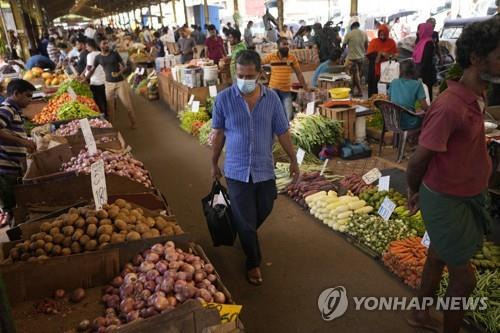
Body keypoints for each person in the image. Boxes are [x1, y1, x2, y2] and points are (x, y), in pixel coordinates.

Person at [406, 17, 499, 333]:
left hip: (467, 194)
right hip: (446, 199)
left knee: (436, 257)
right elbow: (418, 160)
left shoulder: (478, 94)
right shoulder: (449, 106)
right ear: (476, 59)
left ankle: (419, 314)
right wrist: (413, 190)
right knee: (465, 279)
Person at [211, 50, 300, 285]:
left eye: (250, 76)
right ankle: (253, 262)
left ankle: (243, 228)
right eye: (240, 75)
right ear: (234, 73)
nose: (244, 81)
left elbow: (282, 131)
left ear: (260, 74)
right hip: (236, 170)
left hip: (263, 170)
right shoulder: (223, 99)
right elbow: (218, 134)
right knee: (246, 219)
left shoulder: (271, 99)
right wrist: (213, 162)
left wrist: (293, 159)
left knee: (264, 206)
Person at [0, 79, 37, 227]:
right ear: (16, 94)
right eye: (28, 96)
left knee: (16, 206)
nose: (30, 100)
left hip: (12, 168)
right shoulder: (7, 109)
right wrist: (22, 142)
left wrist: (24, 140)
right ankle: (15, 239)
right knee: (12, 208)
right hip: (5, 170)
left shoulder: (14, 111)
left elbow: (8, 131)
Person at [86, 37, 137, 128]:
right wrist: (85, 78)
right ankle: (112, 127)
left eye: (107, 43)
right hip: (108, 84)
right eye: (104, 43)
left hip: (120, 83)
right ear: (99, 45)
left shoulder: (114, 54)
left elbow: (125, 67)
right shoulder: (98, 58)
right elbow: (92, 69)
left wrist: (119, 73)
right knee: (110, 109)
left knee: (127, 105)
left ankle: (133, 122)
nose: (106, 45)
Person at [262, 37, 307, 120]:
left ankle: (288, 131)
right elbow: (259, 63)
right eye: (284, 44)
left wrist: (305, 87)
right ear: (278, 46)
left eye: (287, 44)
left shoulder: (292, 58)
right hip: (273, 89)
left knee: (289, 115)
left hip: (286, 90)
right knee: (276, 114)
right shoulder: (271, 56)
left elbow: (299, 73)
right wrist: (265, 75)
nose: (286, 46)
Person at [388, 60, 428, 130]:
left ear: (400, 71)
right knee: (426, 117)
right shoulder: (417, 84)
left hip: (393, 121)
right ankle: (416, 139)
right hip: (410, 123)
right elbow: (425, 107)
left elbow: (389, 101)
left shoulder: (394, 82)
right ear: (414, 71)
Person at [366, 24, 398, 96]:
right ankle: (373, 103)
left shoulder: (391, 42)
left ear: (387, 34)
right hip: (375, 69)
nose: (382, 35)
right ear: (378, 33)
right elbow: (369, 55)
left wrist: (386, 55)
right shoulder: (374, 41)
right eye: (381, 34)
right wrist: (380, 54)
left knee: (386, 91)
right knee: (374, 89)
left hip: (388, 71)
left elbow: (396, 55)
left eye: (384, 34)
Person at [343, 21, 368, 97]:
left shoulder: (349, 34)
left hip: (352, 58)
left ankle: (359, 91)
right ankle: (352, 91)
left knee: (352, 75)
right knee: (357, 75)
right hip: (361, 58)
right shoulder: (364, 34)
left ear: (351, 27)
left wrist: (348, 49)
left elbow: (344, 45)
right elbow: (366, 45)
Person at [83, 38, 107, 118]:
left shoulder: (90, 55)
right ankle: (106, 114)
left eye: (86, 46)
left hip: (95, 82)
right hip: (104, 80)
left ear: (90, 46)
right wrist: (82, 74)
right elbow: (88, 67)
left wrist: (85, 78)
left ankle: (101, 116)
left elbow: (90, 69)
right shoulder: (101, 53)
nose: (86, 48)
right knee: (104, 99)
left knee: (97, 101)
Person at [413, 23, 437, 101]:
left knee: (427, 92)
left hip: (426, 73)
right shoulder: (422, 41)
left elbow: (426, 61)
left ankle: (427, 109)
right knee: (423, 92)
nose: (419, 32)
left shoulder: (428, 43)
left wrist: (420, 74)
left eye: (420, 30)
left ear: (425, 31)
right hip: (423, 71)